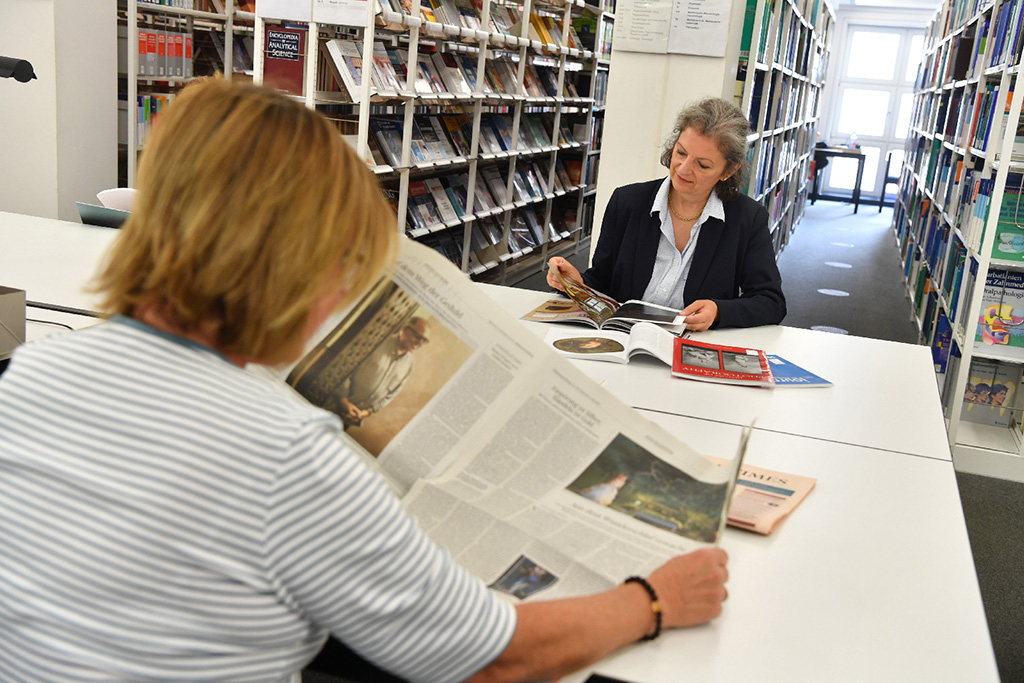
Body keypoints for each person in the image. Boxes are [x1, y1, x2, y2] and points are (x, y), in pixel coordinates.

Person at [0, 78, 729, 682]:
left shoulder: (29, 377)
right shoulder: (286, 452)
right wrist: (654, 600)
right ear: (284, 256)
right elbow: (491, 653)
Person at [547, 97, 786, 332]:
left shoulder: (747, 218)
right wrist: (576, 283)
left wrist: (718, 311)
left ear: (728, 171)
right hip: (623, 338)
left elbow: (771, 302)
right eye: (681, 153)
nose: (683, 169)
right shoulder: (627, 202)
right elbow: (602, 280)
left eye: (702, 165)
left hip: (693, 344)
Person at [336, 316, 430, 428]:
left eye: (424, 340)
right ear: (404, 329)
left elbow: (392, 394)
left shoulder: (409, 364)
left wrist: (367, 412)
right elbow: (348, 367)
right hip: (334, 404)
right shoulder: (378, 341)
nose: (419, 343)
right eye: (417, 336)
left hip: (353, 418)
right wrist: (344, 401)